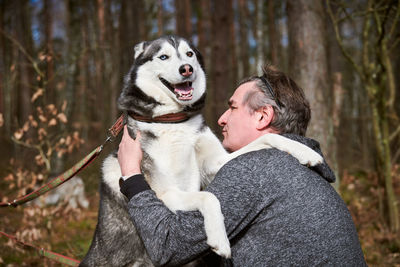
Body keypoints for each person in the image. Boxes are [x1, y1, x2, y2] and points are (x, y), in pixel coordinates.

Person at [117, 64, 366, 266]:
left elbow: (167, 246)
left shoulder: (254, 170)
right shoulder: (305, 173)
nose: (221, 119)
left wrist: (132, 176)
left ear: (262, 116)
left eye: (233, 107)